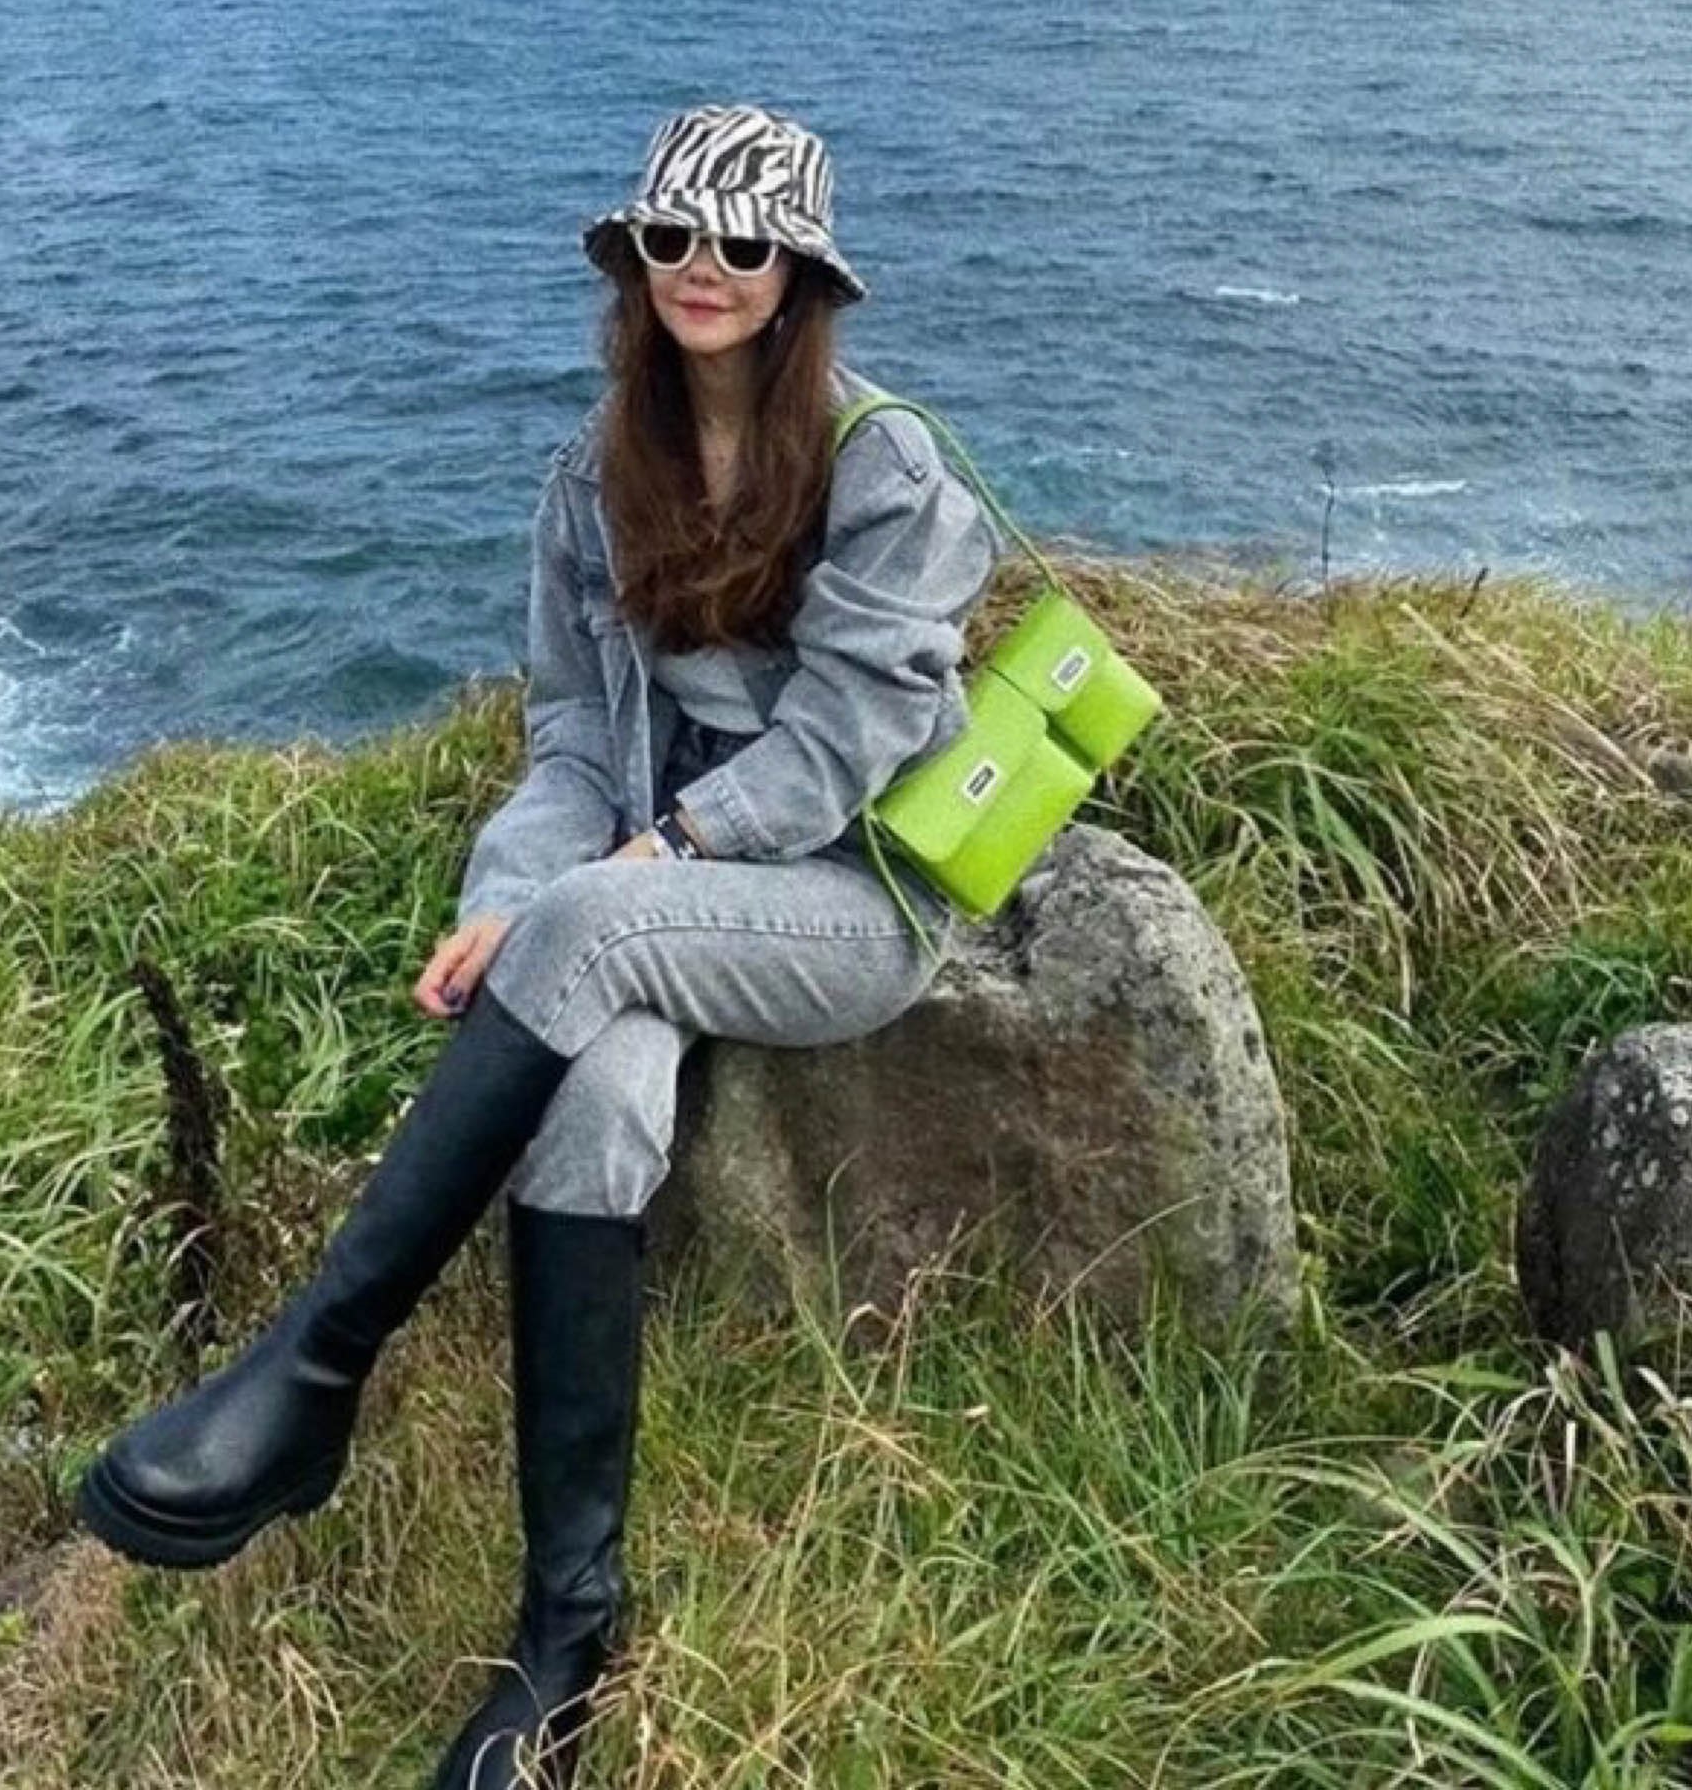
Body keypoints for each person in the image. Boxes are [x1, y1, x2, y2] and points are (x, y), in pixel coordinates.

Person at [76, 104, 1002, 1787]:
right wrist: (507, 893)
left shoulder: (883, 473)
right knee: (587, 1111)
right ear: (632, 259)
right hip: (640, 910)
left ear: (798, 276)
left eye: (742, 242)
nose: (703, 267)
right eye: (671, 237)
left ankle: (314, 1370)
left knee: (591, 927)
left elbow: (842, 746)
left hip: (847, 901)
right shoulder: (595, 476)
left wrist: (655, 858)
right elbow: (572, 734)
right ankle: (564, 1641)